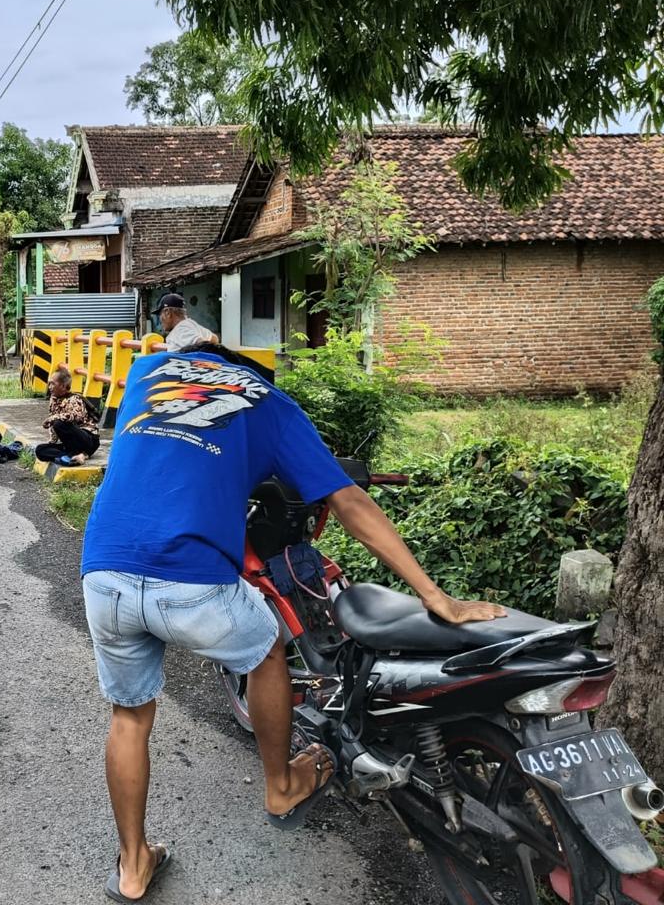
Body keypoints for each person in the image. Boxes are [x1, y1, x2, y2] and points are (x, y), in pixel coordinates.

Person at [80, 342, 506, 903]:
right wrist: (436, 595)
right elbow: (348, 500)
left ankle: (133, 868)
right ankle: (281, 787)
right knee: (264, 649)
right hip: (190, 579)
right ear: (248, 370)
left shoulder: (147, 369)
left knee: (130, 716)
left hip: (104, 569)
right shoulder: (270, 402)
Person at [37, 367, 101, 465]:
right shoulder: (54, 399)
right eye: (49, 383)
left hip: (88, 439)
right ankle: (74, 457)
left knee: (59, 423)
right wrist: (52, 443)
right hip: (71, 444)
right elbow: (54, 427)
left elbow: (75, 416)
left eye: (52, 383)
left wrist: (52, 418)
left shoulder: (75, 399)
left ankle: (75, 454)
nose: (49, 386)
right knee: (40, 450)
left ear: (63, 386)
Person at [152, 292, 218, 351]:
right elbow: (214, 338)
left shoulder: (179, 330)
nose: (160, 319)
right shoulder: (191, 324)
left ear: (167, 313)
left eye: (160, 314)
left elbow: (205, 346)